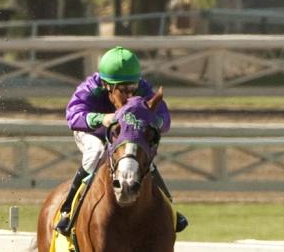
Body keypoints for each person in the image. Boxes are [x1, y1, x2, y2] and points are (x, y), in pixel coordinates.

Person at [56, 46, 188, 235]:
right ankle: (68, 210)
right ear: (106, 84)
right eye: (123, 90)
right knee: (97, 152)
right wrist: (101, 119)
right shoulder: (89, 89)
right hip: (92, 131)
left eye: (132, 88)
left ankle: (171, 211)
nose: (130, 95)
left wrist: (155, 121)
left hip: (121, 134)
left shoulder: (141, 87)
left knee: (143, 159)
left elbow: (164, 118)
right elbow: (73, 116)